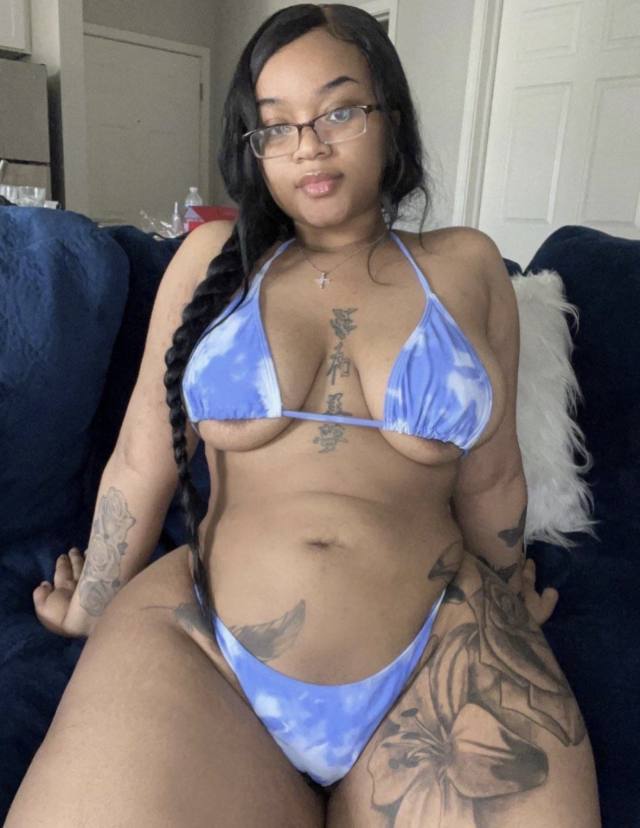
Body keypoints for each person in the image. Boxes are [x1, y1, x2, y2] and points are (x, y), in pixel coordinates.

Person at [9, 4, 600, 826]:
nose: (308, 146)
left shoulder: (466, 267)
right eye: (276, 125)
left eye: (339, 111)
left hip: (439, 648)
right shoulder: (213, 262)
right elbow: (143, 458)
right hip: (203, 645)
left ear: (391, 118)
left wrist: (507, 600)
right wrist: (90, 603)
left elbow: (493, 477)